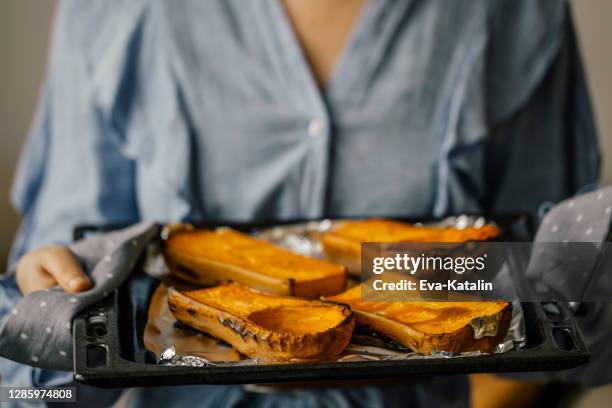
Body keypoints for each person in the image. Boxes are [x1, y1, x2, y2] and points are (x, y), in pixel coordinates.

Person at [0, 0, 602, 406]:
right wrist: (48, 342)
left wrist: (571, 291)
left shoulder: (517, 12)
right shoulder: (110, 12)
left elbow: (553, 323)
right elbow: (26, 388)